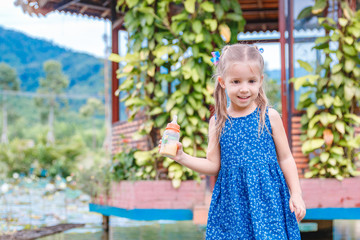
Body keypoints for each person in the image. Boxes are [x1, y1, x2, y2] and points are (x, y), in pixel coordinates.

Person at [159, 43, 306, 239]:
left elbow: (286, 159)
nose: (244, 89)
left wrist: (296, 194)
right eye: (236, 81)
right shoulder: (218, 123)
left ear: (260, 81)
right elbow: (213, 165)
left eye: (251, 81)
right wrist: (181, 157)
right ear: (222, 81)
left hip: (268, 202)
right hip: (232, 206)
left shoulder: (269, 117)